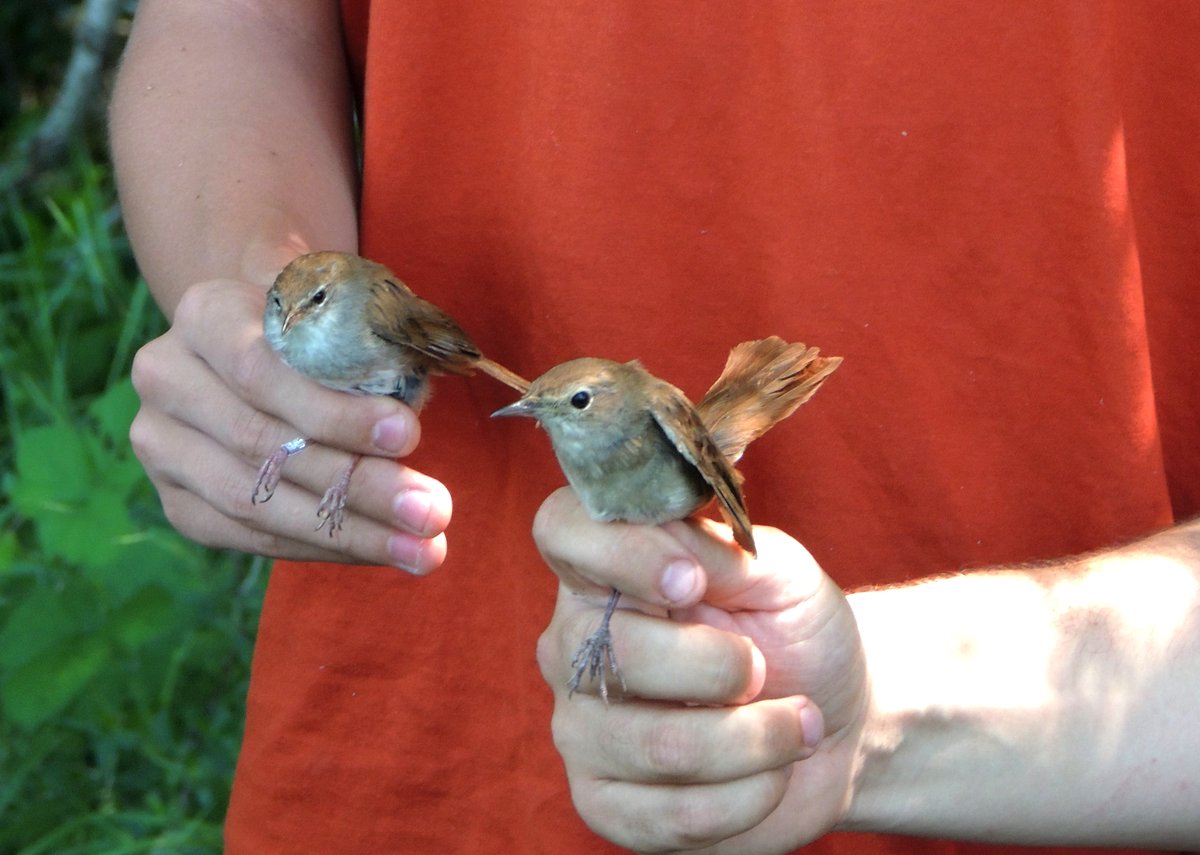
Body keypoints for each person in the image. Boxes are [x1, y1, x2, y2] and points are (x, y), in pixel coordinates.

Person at [110, 2, 1200, 853]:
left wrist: (875, 697)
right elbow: (233, 17)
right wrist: (255, 342)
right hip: (429, 749)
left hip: (1069, 770)